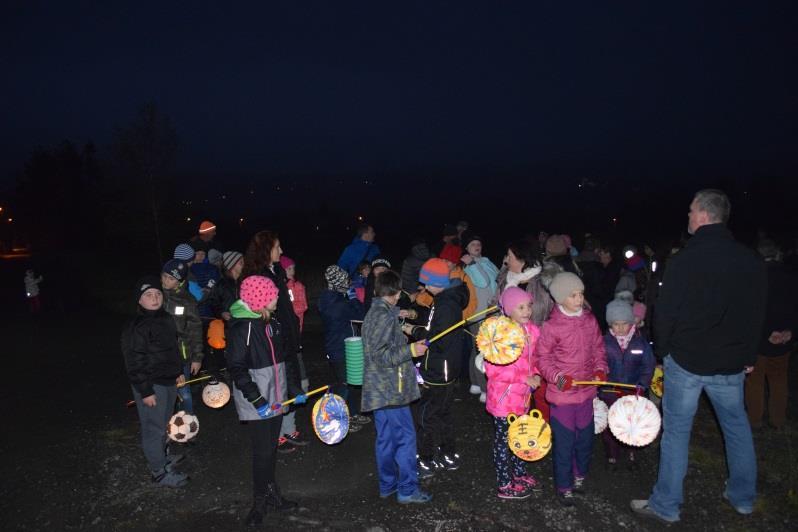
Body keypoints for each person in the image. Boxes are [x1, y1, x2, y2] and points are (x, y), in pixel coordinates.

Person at [631, 189, 767, 524]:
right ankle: (743, 498)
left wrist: (662, 351)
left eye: (691, 210)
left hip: (687, 362)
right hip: (730, 363)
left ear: (704, 215)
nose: (688, 216)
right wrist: (748, 353)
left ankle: (666, 505)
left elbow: (664, 312)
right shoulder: (749, 260)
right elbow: (756, 313)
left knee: (677, 431)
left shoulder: (685, 260)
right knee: (736, 427)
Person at [226, 275, 304, 525]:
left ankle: (272, 494)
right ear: (261, 300)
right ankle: (259, 501)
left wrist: (293, 389)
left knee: (270, 449)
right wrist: (257, 400)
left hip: (277, 397)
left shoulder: (273, 323)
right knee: (262, 453)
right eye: (273, 294)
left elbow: (285, 359)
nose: (278, 295)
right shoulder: (243, 328)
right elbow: (236, 368)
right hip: (258, 402)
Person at [537, 272, 607, 507]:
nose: (579, 299)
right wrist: (557, 378)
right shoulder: (552, 326)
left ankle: (579, 475)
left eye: (581, 294)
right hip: (563, 396)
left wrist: (600, 370)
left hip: (586, 393)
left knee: (585, 439)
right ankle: (564, 485)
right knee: (565, 443)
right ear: (559, 298)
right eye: (573, 295)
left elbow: (599, 349)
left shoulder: (589, 320)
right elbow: (543, 359)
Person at [361, 270, 432, 504]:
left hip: (381, 389)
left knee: (386, 438)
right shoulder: (382, 317)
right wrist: (411, 350)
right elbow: (379, 354)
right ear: (394, 293)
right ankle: (407, 489)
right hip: (391, 389)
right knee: (405, 438)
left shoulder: (378, 312)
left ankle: (388, 484)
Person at [404, 258, 469, 478]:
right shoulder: (449, 298)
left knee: (426, 416)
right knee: (444, 413)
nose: (423, 287)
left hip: (438, 370)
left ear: (434, 283)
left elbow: (437, 340)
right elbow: (437, 330)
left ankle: (426, 459)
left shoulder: (445, 304)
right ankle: (448, 453)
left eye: (425, 283)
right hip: (447, 368)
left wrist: (413, 331)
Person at [242, 231, 306, 451]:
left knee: (290, 386)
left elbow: (286, 308)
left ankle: (288, 430)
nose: (281, 251)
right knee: (275, 388)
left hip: (287, 337)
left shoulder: (277, 271)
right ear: (266, 250)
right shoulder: (257, 276)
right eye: (277, 247)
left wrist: (294, 333)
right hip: (271, 342)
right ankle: (276, 436)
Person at [121, 276, 187, 487]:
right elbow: (134, 360)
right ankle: (158, 471)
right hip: (151, 384)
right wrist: (145, 391)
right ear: (139, 301)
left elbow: (172, 349)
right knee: (153, 427)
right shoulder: (136, 326)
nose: (154, 298)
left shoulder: (166, 318)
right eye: (148, 295)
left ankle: (163, 456)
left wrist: (177, 371)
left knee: (165, 424)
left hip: (168, 380)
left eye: (158, 293)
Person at [485, 287, 544, 499]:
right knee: (503, 441)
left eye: (528, 305)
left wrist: (536, 374)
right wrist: (523, 378)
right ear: (509, 310)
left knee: (521, 435)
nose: (527, 310)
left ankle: (519, 474)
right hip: (504, 400)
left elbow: (534, 360)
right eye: (520, 307)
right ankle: (504, 483)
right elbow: (494, 369)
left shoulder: (531, 331)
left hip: (523, 397)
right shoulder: (499, 335)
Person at [745, 239, 797, 430]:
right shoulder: (791, 278)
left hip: (759, 339)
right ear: (778, 254)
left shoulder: (754, 278)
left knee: (754, 381)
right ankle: (778, 419)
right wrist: (789, 332)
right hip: (783, 339)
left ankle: (755, 420)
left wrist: (769, 332)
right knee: (779, 380)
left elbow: (752, 310)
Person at [600, 299, 655, 470]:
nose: (621, 328)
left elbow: (648, 365)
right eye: (616, 324)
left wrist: (643, 383)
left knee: (631, 423)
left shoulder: (640, 343)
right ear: (610, 324)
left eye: (624, 324)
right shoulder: (604, 342)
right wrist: (600, 379)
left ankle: (631, 450)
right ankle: (612, 454)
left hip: (633, 392)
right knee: (610, 423)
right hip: (610, 391)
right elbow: (598, 362)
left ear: (631, 323)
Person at [318, 265, 369, 430]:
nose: (349, 283)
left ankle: (352, 414)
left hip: (346, 347)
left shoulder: (334, 298)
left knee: (351, 382)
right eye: (346, 280)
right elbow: (361, 314)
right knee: (344, 385)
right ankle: (338, 419)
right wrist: (353, 298)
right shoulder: (336, 303)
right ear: (339, 282)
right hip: (338, 349)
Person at [161, 259, 204, 415]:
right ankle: (167, 428)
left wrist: (197, 358)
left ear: (180, 282)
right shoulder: (156, 296)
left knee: (184, 393)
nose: (166, 281)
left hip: (182, 355)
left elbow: (195, 330)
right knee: (164, 393)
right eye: (164, 276)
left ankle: (188, 428)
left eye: (171, 278)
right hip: (160, 354)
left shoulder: (188, 300)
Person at [460, 232, 500, 402]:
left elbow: (498, 278)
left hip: (492, 312)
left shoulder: (487, 261)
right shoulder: (468, 267)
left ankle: (475, 384)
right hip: (478, 314)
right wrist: (473, 264)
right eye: (472, 244)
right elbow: (482, 282)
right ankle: (484, 388)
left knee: (478, 349)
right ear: (466, 249)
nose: (477, 246)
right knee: (481, 351)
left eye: (478, 243)